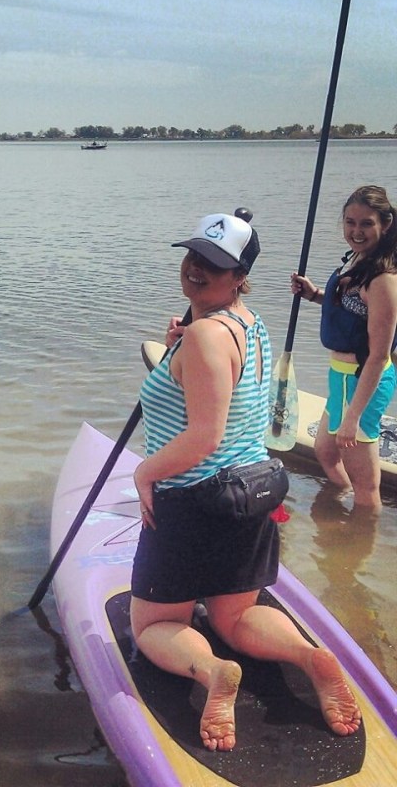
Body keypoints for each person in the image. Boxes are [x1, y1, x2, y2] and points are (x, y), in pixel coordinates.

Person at [130, 212, 361, 752]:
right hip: (252, 490)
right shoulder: (244, 322)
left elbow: (204, 436)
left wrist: (145, 471)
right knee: (235, 618)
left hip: (192, 498)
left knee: (152, 626)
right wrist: (178, 349)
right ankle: (308, 658)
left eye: (213, 265)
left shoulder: (207, 337)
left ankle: (212, 672)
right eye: (193, 256)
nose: (195, 269)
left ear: (239, 276)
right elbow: (222, 395)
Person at [291, 185, 397, 510]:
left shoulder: (383, 279)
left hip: (363, 380)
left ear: (386, 223)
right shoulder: (357, 260)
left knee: (367, 486)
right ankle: (345, 513)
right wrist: (314, 295)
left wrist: (353, 416)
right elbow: (350, 306)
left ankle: (360, 548)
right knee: (325, 450)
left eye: (366, 223)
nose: (356, 231)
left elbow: (379, 356)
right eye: (350, 222)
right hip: (341, 377)